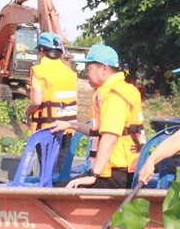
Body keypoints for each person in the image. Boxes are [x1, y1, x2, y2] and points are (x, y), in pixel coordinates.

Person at [52, 44, 144, 189]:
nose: (86, 73)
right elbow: (98, 131)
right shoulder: (121, 89)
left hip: (117, 173)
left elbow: (109, 138)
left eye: (89, 68)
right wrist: (70, 125)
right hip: (118, 170)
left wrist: (93, 175)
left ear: (103, 68)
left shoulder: (114, 95)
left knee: (58, 193)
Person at [24, 32, 78, 172]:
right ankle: (58, 193)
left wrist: (27, 113)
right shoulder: (70, 73)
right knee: (60, 170)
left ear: (42, 50)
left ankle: (47, 194)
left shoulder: (39, 71)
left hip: (47, 129)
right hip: (67, 128)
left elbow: (36, 101)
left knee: (47, 171)